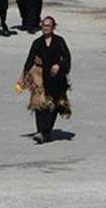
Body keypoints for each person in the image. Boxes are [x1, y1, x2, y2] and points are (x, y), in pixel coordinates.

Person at [17, 16, 72, 144]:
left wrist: (59, 65)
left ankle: (46, 131)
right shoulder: (37, 42)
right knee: (39, 105)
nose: (45, 28)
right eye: (43, 25)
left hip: (56, 79)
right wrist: (23, 77)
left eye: (48, 25)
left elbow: (67, 57)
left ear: (53, 27)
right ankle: (41, 131)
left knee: (53, 105)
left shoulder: (59, 41)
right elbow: (29, 60)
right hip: (41, 78)